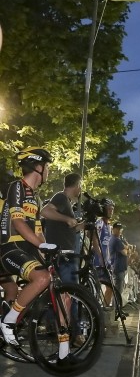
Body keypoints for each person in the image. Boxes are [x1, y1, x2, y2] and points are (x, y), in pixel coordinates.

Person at [0, 147, 78, 365]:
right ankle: (9, 321)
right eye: (48, 167)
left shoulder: (35, 198)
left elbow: (37, 232)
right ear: (38, 166)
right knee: (42, 278)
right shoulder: (18, 187)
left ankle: (64, 352)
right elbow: (17, 222)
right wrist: (42, 244)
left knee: (64, 295)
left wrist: (48, 248)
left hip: (29, 250)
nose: (50, 171)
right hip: (9, 248)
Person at [41, 173, 85, 285]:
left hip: (66, 254)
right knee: (71, 292)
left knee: (67, 294)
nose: (80, 189)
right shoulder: (61, 197)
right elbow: (45, 211)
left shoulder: (66, 201)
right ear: (77, 185)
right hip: (63, 255)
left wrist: (82, 225)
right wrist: (67, 219)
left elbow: (67, 228)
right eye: (80, 185)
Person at [109, 222, 129, 317]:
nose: (120, 230)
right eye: (119, 228)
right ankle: (116, 311)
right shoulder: (116, 240)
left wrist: (126, 247)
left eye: (121, 229)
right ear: (114, 229)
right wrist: (126, 248)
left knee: (118, 291)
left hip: (119, 267)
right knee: (117, 291)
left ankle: (118, 310)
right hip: (118, 268)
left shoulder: (117, 239)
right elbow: (125, 252)